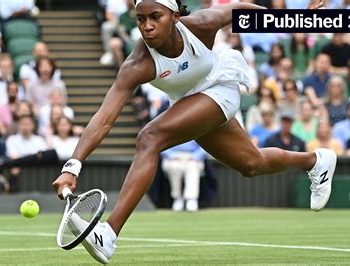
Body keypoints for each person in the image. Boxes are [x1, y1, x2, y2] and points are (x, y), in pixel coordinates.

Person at [52, 1, 332, 264]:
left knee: (149, 138)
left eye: (155, 17)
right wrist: (72, 166)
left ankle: (109, 233)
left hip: (219, 87)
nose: (147, 26)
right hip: (189, 103)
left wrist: (301, 17)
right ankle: (315, 162)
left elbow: (242, 11)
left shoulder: (201, 23)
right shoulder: (138, 64)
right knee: (251, 163)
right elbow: (104, 118)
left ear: (175, 17)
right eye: (141, 19)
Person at [161, 140, 206, 212]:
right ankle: (177, 198)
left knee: (193, 167)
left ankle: (191, 199)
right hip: (173, 157)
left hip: (193, 156)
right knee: (174, 167)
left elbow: (205, 146)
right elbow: (161, 144)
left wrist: (195, 157)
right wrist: (172, 156)